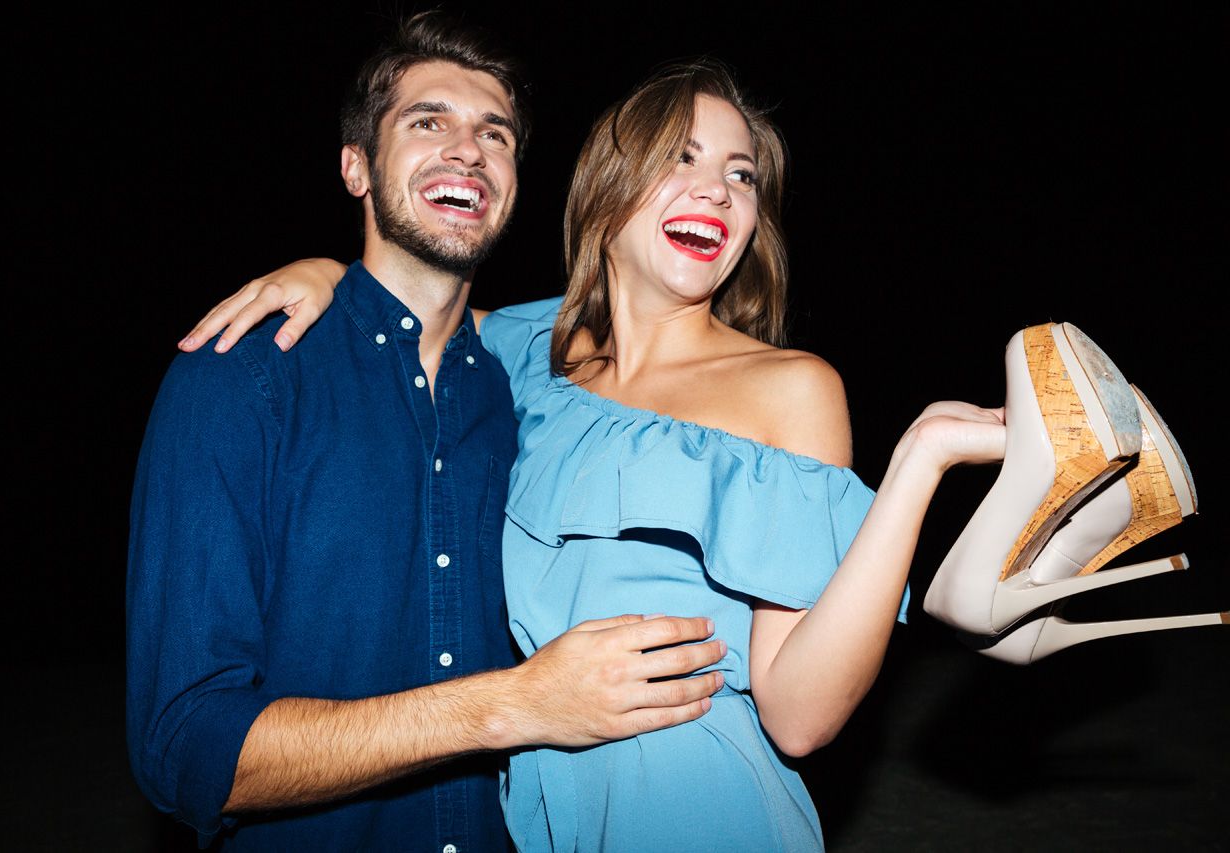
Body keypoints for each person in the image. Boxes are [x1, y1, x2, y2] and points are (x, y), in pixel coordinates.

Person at [185, 62, 1006, 851]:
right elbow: (414, 303)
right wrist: (327, 272)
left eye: (741, 174)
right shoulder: (530, 354)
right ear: (608, 189)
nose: (717, 189)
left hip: (703, 810)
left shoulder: (790, 388)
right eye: (681, 157)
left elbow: (801, 716)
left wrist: (916, 467)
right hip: (537, 815)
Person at [128, 14, 729, 851]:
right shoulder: (241, 377)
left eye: (496, 134)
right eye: (427, 122)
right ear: (356, 167)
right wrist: (514, 704)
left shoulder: (530, 390)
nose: (468, 150)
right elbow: (186, 748)